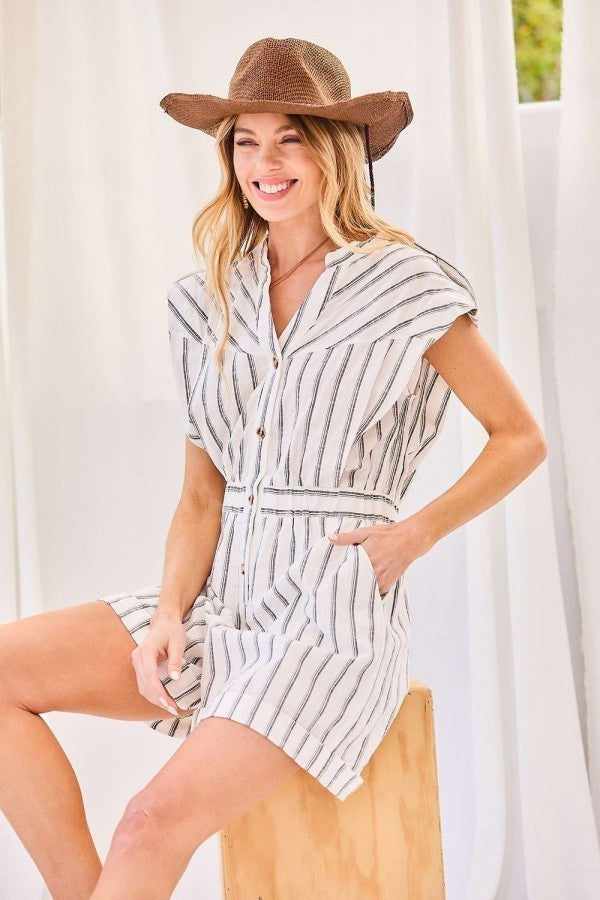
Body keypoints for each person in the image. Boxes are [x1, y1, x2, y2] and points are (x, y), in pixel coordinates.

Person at [0, 37, 547, 899]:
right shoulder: (208, 294)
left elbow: (520, 437)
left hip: (329, 618)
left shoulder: (404, 282)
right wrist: (169, 612)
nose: (266, 162)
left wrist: (411, 537)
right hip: (222, 601)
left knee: (150, 821)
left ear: (335, 151)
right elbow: (199, 493)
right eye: (246, 142)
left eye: (290, 138)